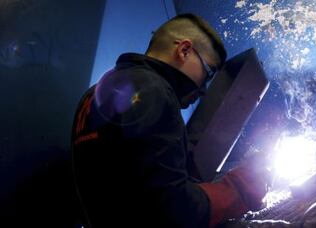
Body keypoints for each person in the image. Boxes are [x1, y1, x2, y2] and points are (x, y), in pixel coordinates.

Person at [71, 13, 269, 228]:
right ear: (184, 50)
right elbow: (173, 209)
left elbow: (135, 182)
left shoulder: (95, 93)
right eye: (208, 71)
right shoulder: (154, 90)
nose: (203, 90)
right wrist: (239, 188)